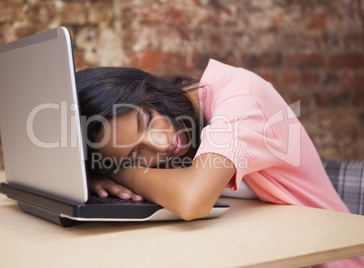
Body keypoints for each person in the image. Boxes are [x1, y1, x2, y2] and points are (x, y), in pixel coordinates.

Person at [76, 59, 363, 266]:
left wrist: (121, 169)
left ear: (147, 91)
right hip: (264, 250)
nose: (161, 144)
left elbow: (192, 200)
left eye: (148, 121)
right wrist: (90, 176)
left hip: (330, 258)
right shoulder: (177, 129)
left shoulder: (241, 95)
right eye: (138, 154)